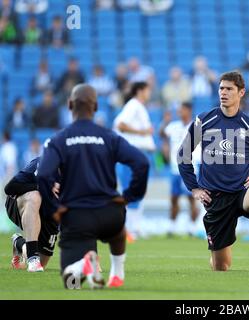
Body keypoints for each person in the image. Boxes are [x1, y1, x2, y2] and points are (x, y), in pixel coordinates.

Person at [37, 84, 149, 289]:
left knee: (71, 283)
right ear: (96, 106)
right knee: (118, 230)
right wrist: (130, 196)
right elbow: (142, 162)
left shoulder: (58, 140)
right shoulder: (109, 137)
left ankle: (83, 265)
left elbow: (43, 174)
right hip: (110, 214)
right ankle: (117, 271)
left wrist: (54, 208)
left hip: (76, 216)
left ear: (70, 105)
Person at [178, 71, 249, 273]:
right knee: (221, 267)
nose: (223, 93)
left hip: (242, 192)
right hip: (215, 198)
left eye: (229, 89)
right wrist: (194, 188)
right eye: (221, 88)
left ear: (241, 92)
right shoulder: (204, 120)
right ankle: (217, 254)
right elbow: (183, 155)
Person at [113, 81, 155, 239]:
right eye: (147, 90)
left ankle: (134, 227)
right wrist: (142, 131)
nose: (149, 93)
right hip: (133, 155)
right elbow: (120, 125)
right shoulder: (133, 105)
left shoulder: (139, 106)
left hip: (140, 153)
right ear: (140, 91)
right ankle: (127, 228)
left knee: (138, 191)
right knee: (131, 189)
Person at [4, 157, 59, 272]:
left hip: (49, 214)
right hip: (22, 203)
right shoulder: (41, 164)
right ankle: (32, 257)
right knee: (35, 196)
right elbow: (9, 188)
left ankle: (19, 243)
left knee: (42, 263)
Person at [160, 102, 199, 236]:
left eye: (182, 109)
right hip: (174, 168)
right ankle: (172, 226)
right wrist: (165, 122)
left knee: (191, 199)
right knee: (174, 198)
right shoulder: (173, 126)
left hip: (190, 169)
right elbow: (162, 134)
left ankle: (192, 227)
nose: (179, 112)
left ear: (189, 110)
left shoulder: (196, 126)